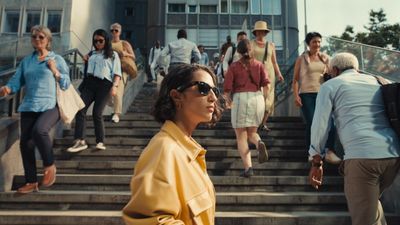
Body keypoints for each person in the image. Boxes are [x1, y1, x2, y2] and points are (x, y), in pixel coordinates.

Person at [122, 64, 222, 224]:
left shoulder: (188, 151)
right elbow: (152, 220)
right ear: (177, 96)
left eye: (215, 91)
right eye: (203, 88)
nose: (213, 98)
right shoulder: (164, 150)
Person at [308, 52, 400, 225]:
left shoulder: (331, 85)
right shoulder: (379, 81)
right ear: (356, 68)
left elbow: (320, 125)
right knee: (371, 207)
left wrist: (316, 161)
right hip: (393, 156)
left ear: (334, 70)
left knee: (364, 218)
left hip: (363, 158)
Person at [0, 25, 70, 193]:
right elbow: (17, 81)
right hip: (29, 105)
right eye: (34, 37)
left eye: (41, 37)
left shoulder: (56, 59)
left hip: (50, 106)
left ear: (48, 40)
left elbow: (66, 83)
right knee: (26, 144)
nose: (37, 40)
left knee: (40, 131)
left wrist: (55, 72)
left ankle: (49, 165)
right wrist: (8, 89)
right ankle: (31, 181)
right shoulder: (27, 61)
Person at [67, 29, 121, 152]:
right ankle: (80, 140)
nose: (98, 43)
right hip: (90, 84)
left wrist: (115, 86)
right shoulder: (91, 54)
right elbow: (87, 71)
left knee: (97, 113)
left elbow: (117, 72)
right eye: (95, 41)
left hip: (105, 85)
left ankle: (100, 141)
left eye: (100, 41)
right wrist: (86, 61)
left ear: (106, 40)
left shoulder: (112, 54)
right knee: (80, 109)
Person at [223, 39, 270, 177]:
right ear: (252, 50)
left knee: (241, 137)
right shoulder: (259, 65)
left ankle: (248, 168)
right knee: (252, 133)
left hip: (240, 98)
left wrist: (228, 102)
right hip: (257, 98)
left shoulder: (234, 67)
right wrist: (264, 99)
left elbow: (226, 90)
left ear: (238, 52)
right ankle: (259, 142)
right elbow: (267, 85)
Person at [292, 32, 341, 164]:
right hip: (306, 94)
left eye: (319, 42)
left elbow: (334, 75)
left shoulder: (325, 58)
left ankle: (329, 151)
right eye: (314, 42)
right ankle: (311, 152)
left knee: (329, 122)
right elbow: (295, 80)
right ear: (308, 44)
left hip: (323, 93)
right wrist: (296, 95)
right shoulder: (301, 59)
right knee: (313, 122)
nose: (317, 44)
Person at [251, 20, 284, 131]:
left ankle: (263, 123)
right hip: (256, 75)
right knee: (257, 99)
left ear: (265, 33)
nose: (261, 34)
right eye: (258, 32)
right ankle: (255, 123)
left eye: (263, 32)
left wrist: (279, 74)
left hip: (269, 74)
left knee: (268, 100)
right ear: (255, 33)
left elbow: (274, 61)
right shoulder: (251, 44)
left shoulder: (271, 45)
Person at [109, 23, 135, 123]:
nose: (114, 32)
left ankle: (116, 113)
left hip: (121, 70)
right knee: (108, 93)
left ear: (120, 32)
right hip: (109, 70)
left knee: (118, 92)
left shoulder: (124, 43)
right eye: (112, 30)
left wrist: (125, 53)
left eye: (116, 30)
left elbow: (133, 56)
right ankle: (114, 106)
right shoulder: (108, 44)